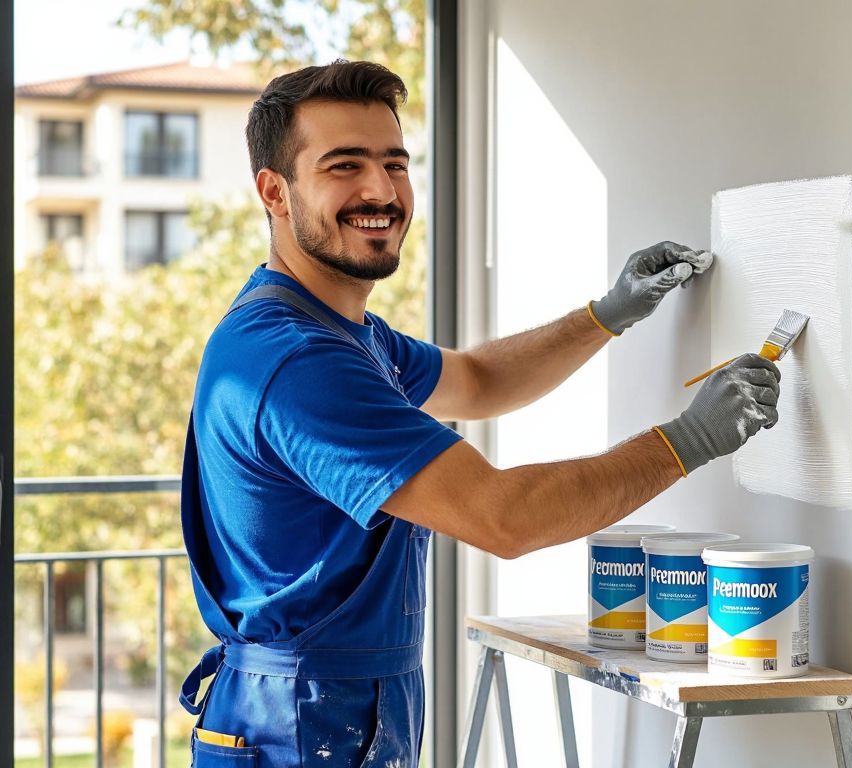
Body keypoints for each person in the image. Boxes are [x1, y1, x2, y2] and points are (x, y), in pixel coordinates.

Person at [178, 59, 781, 767]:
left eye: (394, 164)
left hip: (335, 705)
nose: (382, 191)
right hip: (298, 722)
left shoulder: (350, 336)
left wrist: (607, 314)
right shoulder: (299, 359)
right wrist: (689, 439)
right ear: (275, 191)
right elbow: (504, 517)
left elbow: (477, 379)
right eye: (344, 166)